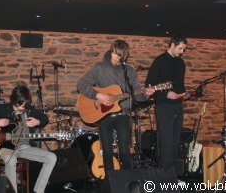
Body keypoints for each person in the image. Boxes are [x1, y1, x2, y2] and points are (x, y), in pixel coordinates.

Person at [77, 39, 155, 177]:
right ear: (111, 50)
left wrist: (147, 95)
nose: (115, 57)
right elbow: (82, 84)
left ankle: (127, 181)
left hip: (123, 114)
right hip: (103, 115)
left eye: (119, 55)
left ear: (125, 55)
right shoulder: (99, 67)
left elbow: (136, 94)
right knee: (107, 151)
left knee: (125, 150)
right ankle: (110, 184)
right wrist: (98, 95)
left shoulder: (129, 71)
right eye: (114, 53)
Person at [0, 85, 57, 193]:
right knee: (11, 158)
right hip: (5, 148)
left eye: (25, 104)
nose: (23, 107)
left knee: (51, 157)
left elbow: (44, 118)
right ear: (13, 100)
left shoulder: (30, 110)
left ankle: (38, 191)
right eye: (20, 104)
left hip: (24, 147)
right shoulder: (3, 109)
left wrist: (38, 122)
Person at [145, 34, 190, 179]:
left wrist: (185, 94)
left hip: (178, 105)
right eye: (180, 48)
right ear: (172, 45)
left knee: (176, 140)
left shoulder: (181, 63)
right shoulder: (159, 61)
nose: (182, 52)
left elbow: (180, 86)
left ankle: (173, 175)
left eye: (184, 49)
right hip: (164, 106)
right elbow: (149, 86)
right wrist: (165, 95)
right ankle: (166, 177)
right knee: (166, 141)